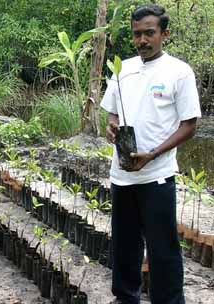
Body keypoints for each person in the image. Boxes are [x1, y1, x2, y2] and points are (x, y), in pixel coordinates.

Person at [100, 4, 201, 304]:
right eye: (136, 35)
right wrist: (112, 126)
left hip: (157, 176)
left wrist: (153, 154)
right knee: (124, 245)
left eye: (149, 33)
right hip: (122, 175)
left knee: (163, 249)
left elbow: (190, 125)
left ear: (164, 34)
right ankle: (125, 298)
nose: (142, 40)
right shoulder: (123, 70)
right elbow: (112, 114)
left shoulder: (179, 72)